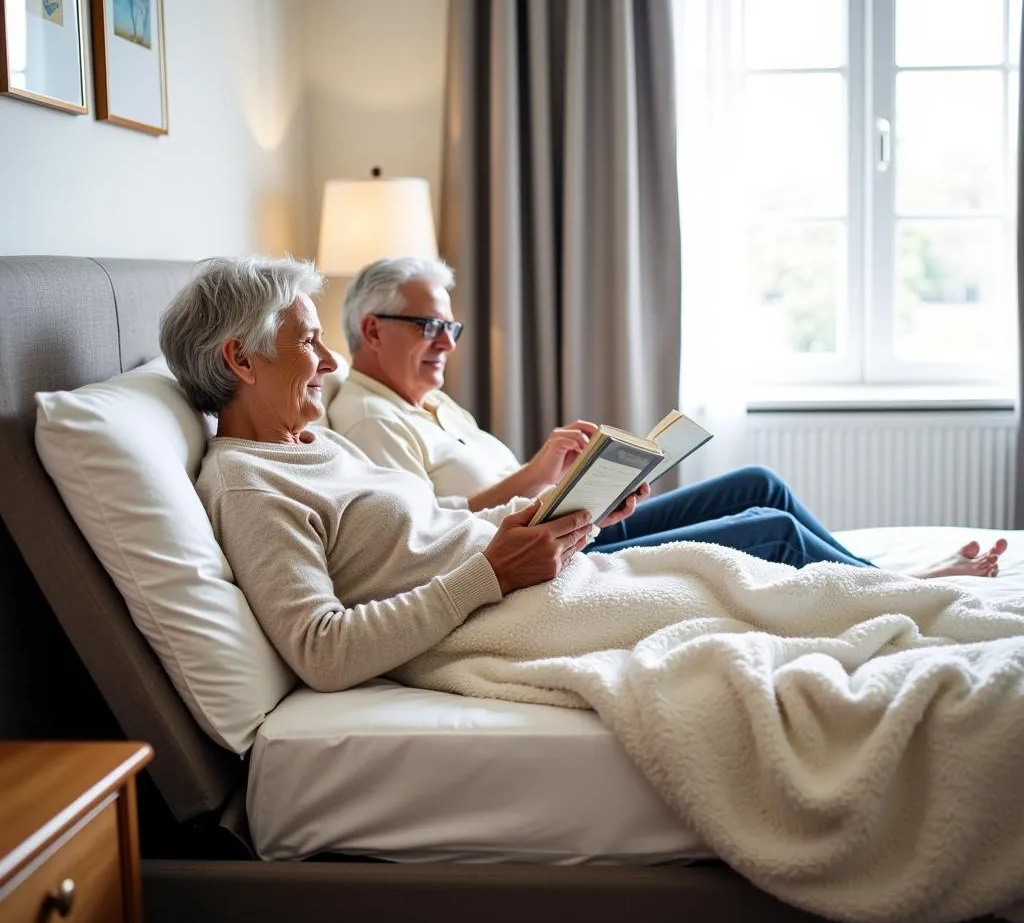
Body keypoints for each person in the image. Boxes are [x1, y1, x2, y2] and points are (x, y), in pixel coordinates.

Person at [328, 256, 1005, 578]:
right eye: (429, 326)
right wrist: (531, 476)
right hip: (551, 563)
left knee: (759, 484)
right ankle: (893, 590)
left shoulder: (432, 401)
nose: (447, 342)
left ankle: (867, 573)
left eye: (452, 326)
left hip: (564, 525)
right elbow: (423, 540)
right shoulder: (367, 419)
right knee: (765, 528)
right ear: (373, 329)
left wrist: (572, 484)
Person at [160, 256, 646, 692]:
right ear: (241, 359)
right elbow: (321, 651)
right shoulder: (249, 485)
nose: (331, 363)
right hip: (505, 612)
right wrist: (492, 574)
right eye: (309, 341)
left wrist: (565, 513)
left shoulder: (316, 441)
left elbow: (434, 522)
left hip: (535, 582)